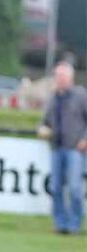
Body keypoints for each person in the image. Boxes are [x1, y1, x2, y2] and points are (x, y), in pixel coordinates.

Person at [38, 61, 87, 235]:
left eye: (62, 76)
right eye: (57, 76)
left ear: (70, 78)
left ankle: (74, 225)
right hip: (56, 148)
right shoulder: (52, 99)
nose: (59, 79)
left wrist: (85, 139)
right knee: (56, 188)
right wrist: (43, 130)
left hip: (75, 148)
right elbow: (44, 122)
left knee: (75, 188)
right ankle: (60, 224)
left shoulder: (81, 96)